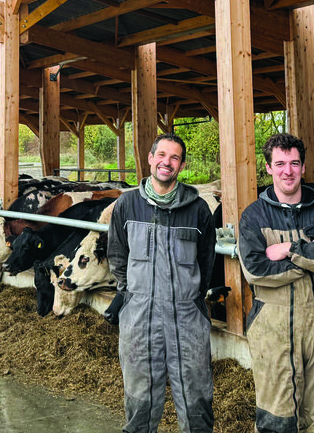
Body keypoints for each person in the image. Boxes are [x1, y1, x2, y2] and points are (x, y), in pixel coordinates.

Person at [238, 132, 314, 433]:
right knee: (278, 416)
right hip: (273, 331)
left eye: (294, 163)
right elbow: (257, 270)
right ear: (268, 168)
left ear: (303, 167)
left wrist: (290, 249)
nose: (287, 171)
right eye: (280, 164)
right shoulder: (253, 216)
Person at [105, 132, 216, 433]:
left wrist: (189, 297)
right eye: (162, 155)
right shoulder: (127, 205)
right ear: (151, 159)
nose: (167, 162)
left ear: (181, 166)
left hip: (187, 317)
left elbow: (206, 263)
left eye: (175, 158)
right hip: (139, 315)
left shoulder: (198, 209)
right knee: (139, 399)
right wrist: (131, 296)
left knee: (196, 400)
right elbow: (117, 255)